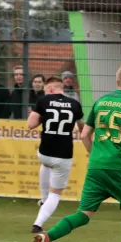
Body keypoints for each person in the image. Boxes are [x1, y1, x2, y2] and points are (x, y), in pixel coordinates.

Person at [30, 62, 121, 242]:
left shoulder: (101, 101)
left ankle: (47, 237)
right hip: (119, 167)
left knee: (83, 214)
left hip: (96, 167)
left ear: (117, 80)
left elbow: (85, 135)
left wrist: (93, 154)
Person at [27, 76, 84, 233]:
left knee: (46, 163)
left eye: (45, 90)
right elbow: (82, 130)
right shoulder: (75, 104)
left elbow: (31, 124)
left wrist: (43, 115)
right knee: (56, 194)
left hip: (45, 152)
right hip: (64, 153)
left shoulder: (43, 101)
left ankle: (44, 200)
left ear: (50, 89)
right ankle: (37, 224)